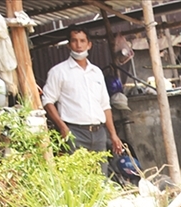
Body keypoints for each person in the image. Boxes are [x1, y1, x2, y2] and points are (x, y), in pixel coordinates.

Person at [41, 27, 123, 158]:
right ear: (69, 45)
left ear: (89, 44)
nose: (78, 45)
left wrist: (113, 134)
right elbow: (47, 101)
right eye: (74, 41)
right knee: (78, 176)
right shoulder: (59, 72)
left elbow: (105, 105)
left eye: (82, 41)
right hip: (74, 132)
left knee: (101, 176)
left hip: (99, 133)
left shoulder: (96, 72)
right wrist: (63, 127)